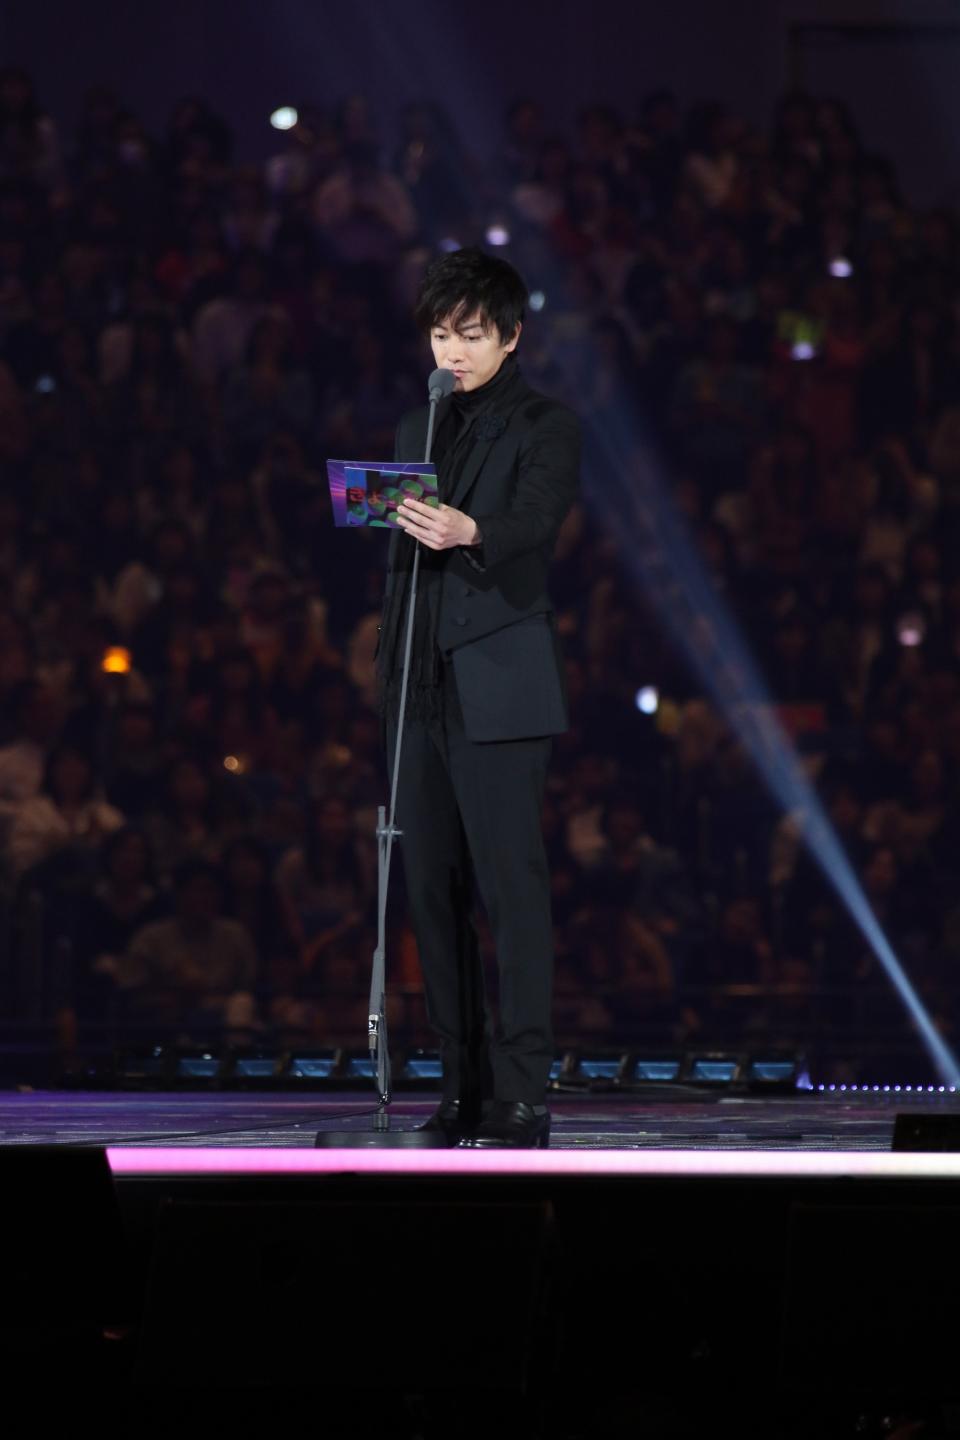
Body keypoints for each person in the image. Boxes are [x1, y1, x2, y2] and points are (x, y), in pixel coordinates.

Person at [374, 246, 581, 1147]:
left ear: (510, 335)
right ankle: (456, 1088)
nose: (451, 351)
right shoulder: (414, 429)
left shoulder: (545, 425)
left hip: (498, 684)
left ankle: (522, 1093)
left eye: (469, 334)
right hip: (419, 685)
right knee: (432, 892)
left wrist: (472, 530)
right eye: (439, 332)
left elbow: (534, 528)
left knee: (510, 889)